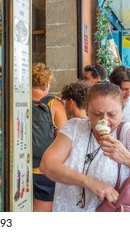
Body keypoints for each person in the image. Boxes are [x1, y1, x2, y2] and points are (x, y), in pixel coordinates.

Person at [40, 82, 130, 211]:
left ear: (122, 112)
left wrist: (127, 159)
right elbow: (47, 164)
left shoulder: (126, 133)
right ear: (87, 111)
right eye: (97, 114)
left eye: (112, 115)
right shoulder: (75, 127)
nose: (104, 120)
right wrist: (89, 182)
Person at [32, 62, 67, 212]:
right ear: (46, 83)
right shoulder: (54, 104)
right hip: (44, 172)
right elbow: (64, 138)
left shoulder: (17, 101)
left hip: (20, 170)